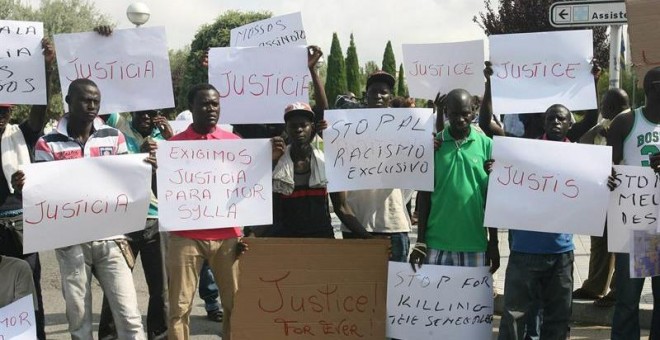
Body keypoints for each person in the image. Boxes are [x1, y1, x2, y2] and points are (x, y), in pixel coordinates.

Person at [20, 78, 147, 340]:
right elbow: (44, 192)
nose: (91, 105)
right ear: (68, 101)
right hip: (71, 244)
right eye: (85, 100)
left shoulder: (114, 137)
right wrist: (25, 183)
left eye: (96, 101)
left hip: (112, 240)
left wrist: (145, 166)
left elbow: (126, 180)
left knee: (130, 317)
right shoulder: (48, 143)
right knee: (79, 323)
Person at [164, 83, 250, 340]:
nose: (211, 108)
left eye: (215, 103)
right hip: (185, 235)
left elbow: (248, 187)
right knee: (179, 306)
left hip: (228, 236)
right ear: (191, 108)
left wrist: (269, 160)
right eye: (204, 104)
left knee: (235, 304)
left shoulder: (235, 143)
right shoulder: (173, 146)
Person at [98, 109, 172, 340]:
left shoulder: (166, 138)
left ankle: (158, 335)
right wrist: (138, 159)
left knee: (160, 289)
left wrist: (171, 141)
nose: (146, 117)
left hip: (156, 221)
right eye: (142, 112)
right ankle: (109, 336)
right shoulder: (119, 128)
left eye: (153, 113)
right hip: (125, 221)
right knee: (115, 285)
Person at [410, 89, 499, 274]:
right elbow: (424, 197)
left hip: (475, 244)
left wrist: (494, 243)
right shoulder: (433, 146)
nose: (460, 119)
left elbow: (493, 200)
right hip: (435, 245)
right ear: (446, 113)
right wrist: (420, 241)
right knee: (435, 302)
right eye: (454, 114)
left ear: (474, 111)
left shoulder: (487, 146)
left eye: (465, 113)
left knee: (470, 303)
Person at [0, 38, 54, 340]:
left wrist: (44, 68)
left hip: (21, 225)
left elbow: (39, 110)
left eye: (4, 113)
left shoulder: (20, 133)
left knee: (29, 291)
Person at [607, 66, 660, 340]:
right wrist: (610, 179)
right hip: (639, 227)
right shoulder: (627, 122)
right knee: (628, 300)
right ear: (654, 88)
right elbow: (606, 168)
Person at [340, 70, 412, 261]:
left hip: (393, 224)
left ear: (390, 97)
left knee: (394, 289)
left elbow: (413, 175)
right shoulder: (347, 128)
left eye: (384, 92)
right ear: (366, 95)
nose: (379, 96)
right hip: (356, 224)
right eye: (374, 91)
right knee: (355, 289)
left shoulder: (406, 129)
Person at [270, 102, 370, 238]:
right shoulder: (277, 164)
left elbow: (341, 207)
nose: (298, 129)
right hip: (287, 240)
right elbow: (268, 209)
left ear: (312, 128)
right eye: (293, 126)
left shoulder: (327, 162)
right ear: (286, 129)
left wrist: (368, 238)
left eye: (303, 125)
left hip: (321, 238)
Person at [572, 88, 631, 308]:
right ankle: (595, 286)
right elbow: (584, 143)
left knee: (620, 243)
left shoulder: (627, 123)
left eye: (605, 104)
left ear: (614, 106)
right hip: (603, 192)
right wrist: (599, 128)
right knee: (600, 241)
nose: (602, 108)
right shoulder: (605, 124)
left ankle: (616, 290)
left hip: (625, 193)